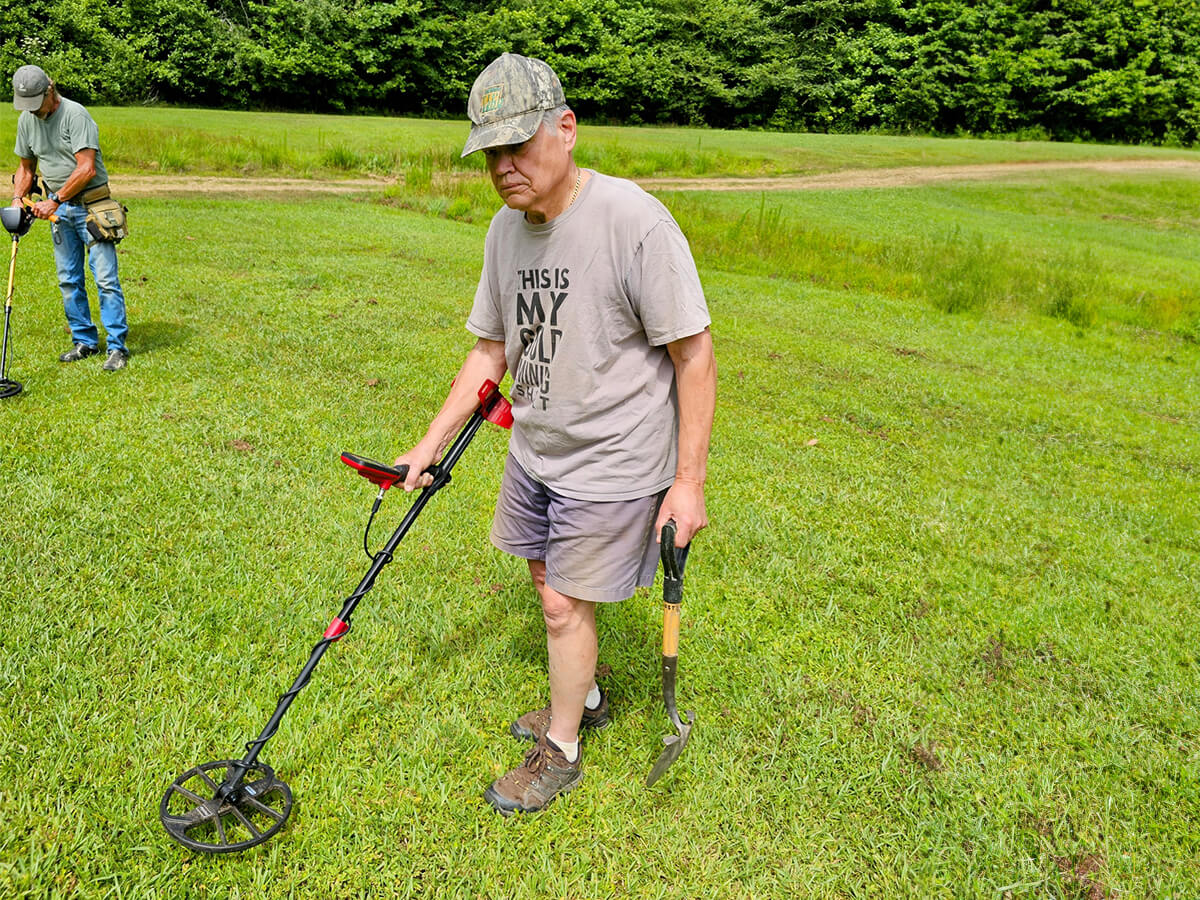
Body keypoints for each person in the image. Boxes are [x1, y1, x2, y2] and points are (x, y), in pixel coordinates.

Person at [394, 52, 716, 815]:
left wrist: (689, 481)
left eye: (519, 145)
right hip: (536, 447)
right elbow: (490, 349)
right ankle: (590, 695)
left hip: (614, 458)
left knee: (563, 607)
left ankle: (563, 748)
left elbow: (693, 353)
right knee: (546, 586)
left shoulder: (633, 220)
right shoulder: (506, 233)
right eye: (491, 154)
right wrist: (430, 439)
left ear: (565, 129)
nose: (504, 167)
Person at [10, 65, 129, 371]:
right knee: (68, 280)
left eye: (36, 104)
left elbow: (86, 168)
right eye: (26, 106)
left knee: (105, 279)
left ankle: (117, 347)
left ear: (50, 91)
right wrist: (16, 200)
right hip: (58, 211)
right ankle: (85, 341)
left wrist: (54, 200)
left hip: (92, 206)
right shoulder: (27, 119)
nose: (32, 111)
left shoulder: (76, 115)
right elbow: (26, 167)